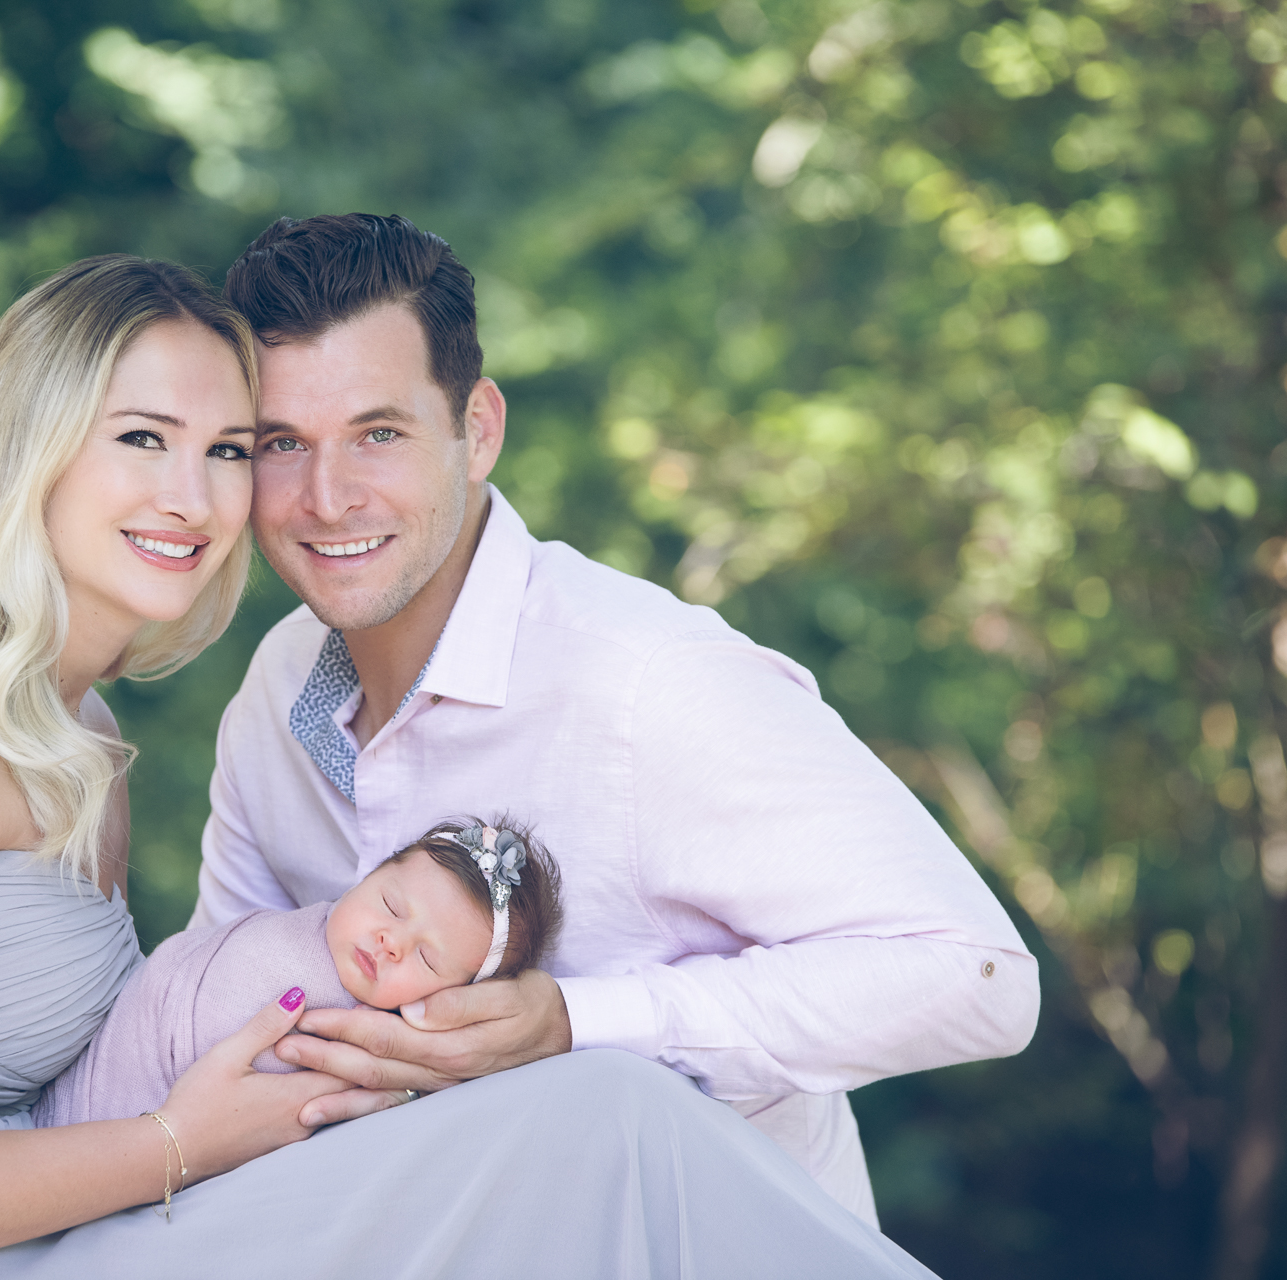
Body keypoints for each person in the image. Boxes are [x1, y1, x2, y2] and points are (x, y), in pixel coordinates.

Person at [0, 248, 946, 1280]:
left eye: (230, 448)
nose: (198, 494)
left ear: (477, 429)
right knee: (604, 1120)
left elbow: (969, 977)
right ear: (32, 445)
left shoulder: (84, 744)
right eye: (143, 437)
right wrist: (177, 1143)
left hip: (62, 1228)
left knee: (588, 1131)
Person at [192, 212, 1044, 1224]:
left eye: (379, 432)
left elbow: (978, 976)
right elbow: (220, 1008)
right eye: (283, 443)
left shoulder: (651, 683)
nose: (328, 497)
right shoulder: (278, 685)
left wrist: (577, 1019)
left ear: (477, 430)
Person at [36, 818, 562, 1127]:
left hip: (145, 1126)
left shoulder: (363, 1045)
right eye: (390, 905)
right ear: (368, 876)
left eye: (427, 959)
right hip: (82, 1077)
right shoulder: (302, 921)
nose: (391, 942)